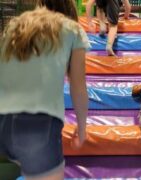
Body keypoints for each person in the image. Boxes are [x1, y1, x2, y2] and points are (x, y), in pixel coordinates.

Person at [0, 6, 89, 180]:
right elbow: (78, 87)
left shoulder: (16, 25)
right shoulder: (72, 29)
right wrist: (82, 129)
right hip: (37, 124)